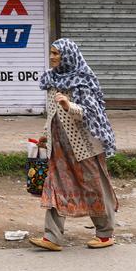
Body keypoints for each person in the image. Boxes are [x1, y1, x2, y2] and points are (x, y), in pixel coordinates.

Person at [29, 38, 118, 252]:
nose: (51, 57)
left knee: (94, 187)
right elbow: (51, 113)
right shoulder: (51, 80)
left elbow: (91, 114)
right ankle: (52, 237)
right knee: (54, 185)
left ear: (67, 56)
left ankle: (105, 234)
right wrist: (44, 135)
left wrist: (70, 106)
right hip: (58, 145)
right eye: (50, 53)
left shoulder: (81, 80)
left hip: (83, 146)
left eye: (55, 54)